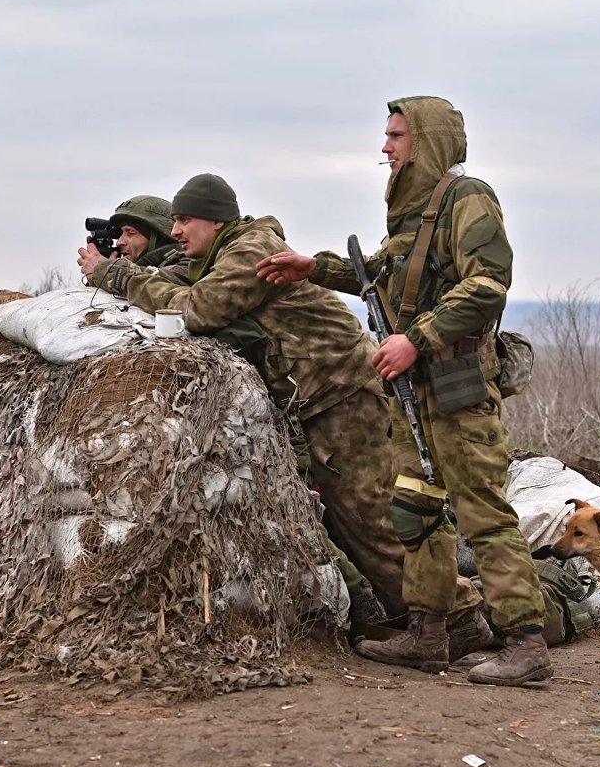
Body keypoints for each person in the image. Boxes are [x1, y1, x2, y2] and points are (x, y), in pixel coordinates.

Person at [81, 174, 493, 656]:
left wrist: (113, 275)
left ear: (216, 220)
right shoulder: (222, 254)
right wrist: (124, 270)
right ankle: (431, 622)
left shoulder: (249, 251)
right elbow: (179, 281)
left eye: (185, 220)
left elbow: (198, 309)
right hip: (324, 398)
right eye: (171, 221)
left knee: (379, 515)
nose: (176, 231)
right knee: (358, 520)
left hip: (345, 393)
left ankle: (461, 619)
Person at [256, 96, 551, 686]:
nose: (385, 148)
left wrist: (416, 338)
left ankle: (525, 641)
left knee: (484, 516)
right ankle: (429, 635)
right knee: (416, 510)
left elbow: (488, 285)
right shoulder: (416, 214)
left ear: (429, 141)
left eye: (396, 136)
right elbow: (384, 272)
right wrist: (312, 268)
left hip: (457, 389)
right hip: (413, 394)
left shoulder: (468, 201)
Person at [77, 195, 183, 284]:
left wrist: (106, 271)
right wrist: (95, 281)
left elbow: (153, 287)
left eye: (131, 233)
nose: (119, 242)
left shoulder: (185, 268)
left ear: (160, 238)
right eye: (120, 233)